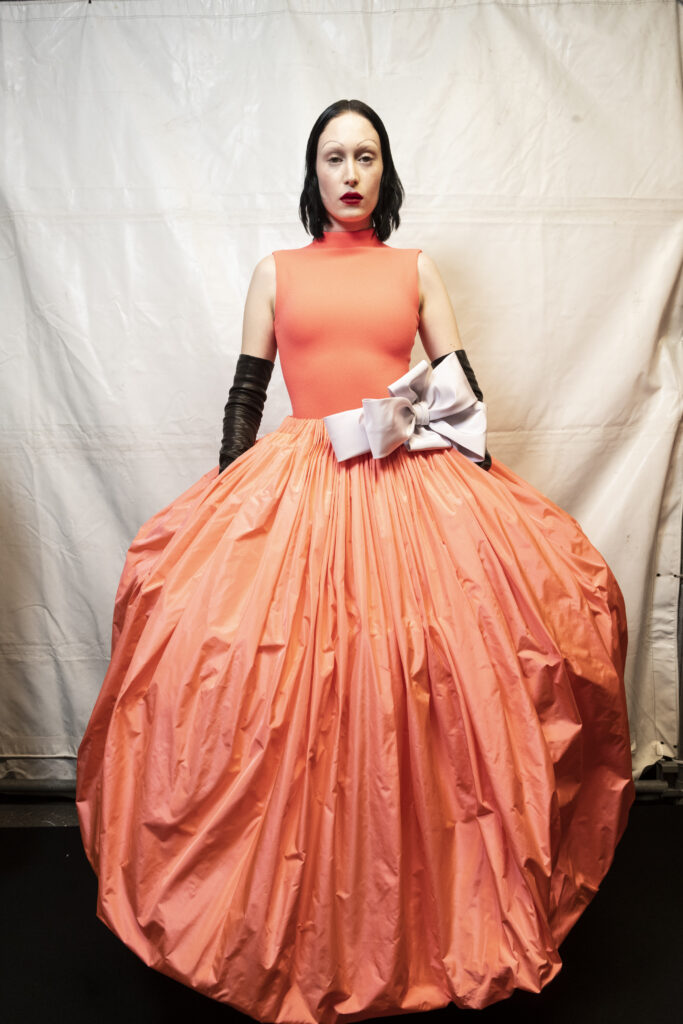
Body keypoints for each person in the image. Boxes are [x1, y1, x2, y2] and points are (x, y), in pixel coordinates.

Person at [76, 99, 635, 1023]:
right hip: (301, 479)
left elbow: (460, 397)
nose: (349, 173)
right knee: (279, 678)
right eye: (333, 157)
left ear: (385, 171)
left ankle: (424, 906)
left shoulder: (416, 269)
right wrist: (222, 504)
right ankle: (289, 917)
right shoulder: (275, 271)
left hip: (407, 479)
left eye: (365, 156)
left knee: (430, 676)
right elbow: (245, 397)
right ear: (313, 171)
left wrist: (486, 497)